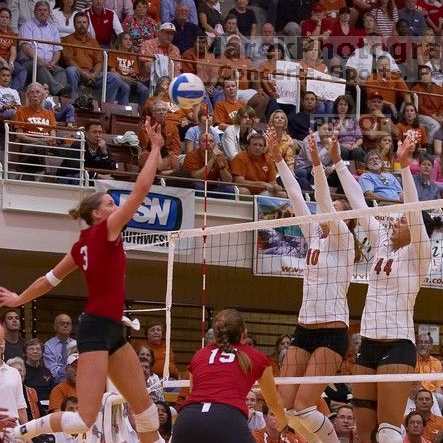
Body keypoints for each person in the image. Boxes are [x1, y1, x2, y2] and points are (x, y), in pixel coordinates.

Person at [0, 117, 167, 443]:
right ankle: (20, 432)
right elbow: (141, 191)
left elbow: (49, 280)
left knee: (145, 410)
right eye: (108, 203)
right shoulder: (106, 231)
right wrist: (156, 147)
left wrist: (19, 299)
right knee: (84, 419)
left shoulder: (81, 245)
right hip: (94, 327)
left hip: (111, 329)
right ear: (97, 214)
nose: (113, 204)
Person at [331, 132, 442, 443]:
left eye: (402, 221)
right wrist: (339, 163)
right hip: (368, 344)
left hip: (397, 345)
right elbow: (357, 203)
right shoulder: (381, 240)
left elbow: (415, 213)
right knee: (363, 431)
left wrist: (404, 166)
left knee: (388, 431)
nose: (395, 223)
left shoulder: (420, 253)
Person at [267, 130, 354, 443]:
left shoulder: (346, 242)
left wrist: (318, 162)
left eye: (338, 212)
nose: (328, 213)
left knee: (304, 408)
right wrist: (278, 158)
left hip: (332, 332)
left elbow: (323, 202)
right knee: (284, 409)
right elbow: (295, 196)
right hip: (304, 329)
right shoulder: (314, 234)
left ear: (348, 220)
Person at [170, 309, 287, 443]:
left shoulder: (200, 355)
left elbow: (193, 392)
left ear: (216, 334)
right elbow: (273, 402)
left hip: (187, 420)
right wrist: (283, 421)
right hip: (226, 419)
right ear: (245, 334)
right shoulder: (257, 357)